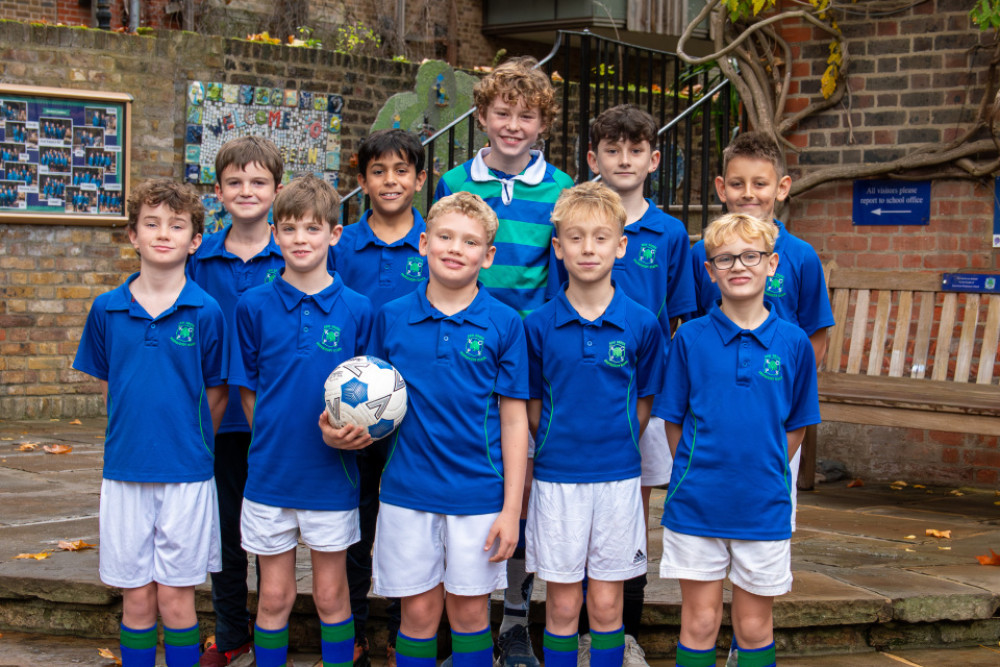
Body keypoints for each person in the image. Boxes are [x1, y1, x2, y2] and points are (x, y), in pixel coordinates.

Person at [434, 56, 574, 667]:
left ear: (543, 122)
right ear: (482, 117)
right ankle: (451, 614)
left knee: (518, 481)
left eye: (526, 115)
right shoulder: (452, 185)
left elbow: (558, 275)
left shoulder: (561, 188)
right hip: (465, 346)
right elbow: (445, 262)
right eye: (502, 113)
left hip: (525, 352)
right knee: (465, 471)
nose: (513, 125)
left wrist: (537, 342)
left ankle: (515, 617)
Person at [364, 192, 529, 667]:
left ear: (488, 255)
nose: (456, 248)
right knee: (416, 614)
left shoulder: (504, 323)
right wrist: (343, 431)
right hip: (406, 493)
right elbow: (373, 405)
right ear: (423, 242)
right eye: (445, 236)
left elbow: (515, 419)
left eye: (471, 241)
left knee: (471, 613)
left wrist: (511, 508)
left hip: (477, 496)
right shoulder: (391, 317)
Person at [73, 179, 227, 667]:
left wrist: (189, 442)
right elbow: (109, 387)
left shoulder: (207, 312)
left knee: (177, 600)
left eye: (177, 225)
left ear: (195, 240)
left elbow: (216, 395)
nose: (164, 233)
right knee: (137, 600)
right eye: (152, 223)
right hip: (124, 472)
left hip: (187, 475)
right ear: (133, 235)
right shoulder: (106, 310)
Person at [657, 213, 821, 667]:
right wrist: (695, 469)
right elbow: (674, 419)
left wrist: (764, 468)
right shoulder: (689, 338)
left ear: (771, 264)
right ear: (709, 271)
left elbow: (798, 423)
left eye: (751, 256)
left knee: (752, 627)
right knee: (700, 622)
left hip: (762, 506)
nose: (738, 266)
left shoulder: (793, 343)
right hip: (697, 504)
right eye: (725, 258)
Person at [523, 182, 665, 667]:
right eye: (576, 238)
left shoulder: (643, 323)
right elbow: (534, 404)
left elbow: (645, 399)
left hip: (618, 479)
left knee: (606, 605)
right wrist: (556, 444)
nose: (588, 248)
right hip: (557, 479)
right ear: (558, 248)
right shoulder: (537, 325)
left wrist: (621, 440)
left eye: (601, 237)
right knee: (562, 605)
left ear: (621, 245)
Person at [234, 174, 373, 667]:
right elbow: (248, 389)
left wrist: (353, 434)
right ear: (274, 234)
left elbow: (373, 391)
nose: (300, 240)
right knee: (273, 599)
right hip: (271, 477)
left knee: (332, 597)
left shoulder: (358, 309)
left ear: (335, 235)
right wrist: (273, 436)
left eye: (313, 229)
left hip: (330, 479)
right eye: (289, 229)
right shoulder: (253, 306)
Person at [582, 104, 697, 666]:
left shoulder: (670, 232)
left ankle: (624, 626)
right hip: (583, 385)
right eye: (611, 150)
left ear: (654, 159)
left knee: (633, 507)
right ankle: (581, 624)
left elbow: (681, 317)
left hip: (645, 386)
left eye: (634, 150)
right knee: (577, 502)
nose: (622, 160)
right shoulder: (575, 219)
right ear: (592, 158)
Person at [188, 135, 286, 667]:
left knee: (279, 532)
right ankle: (231, 631)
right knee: (224, 531)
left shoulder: (295, 251)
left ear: (276, 189)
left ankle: (286, 621)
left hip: (277, 419)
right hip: (220, 422)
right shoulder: (197, 258)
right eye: (234, 182)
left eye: (258, 182)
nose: (246, 191)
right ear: (219, 191)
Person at [332, 128, 429, 667]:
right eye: (377, 171)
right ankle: (353, 634)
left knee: (405, 527)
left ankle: (402, 635)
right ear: (363, 178)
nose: (389, 181)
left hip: (415, 420)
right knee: (355, 524)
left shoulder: (431, 239)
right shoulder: (342, 244)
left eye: (401, 171)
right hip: (352, 414)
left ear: (419, 178)